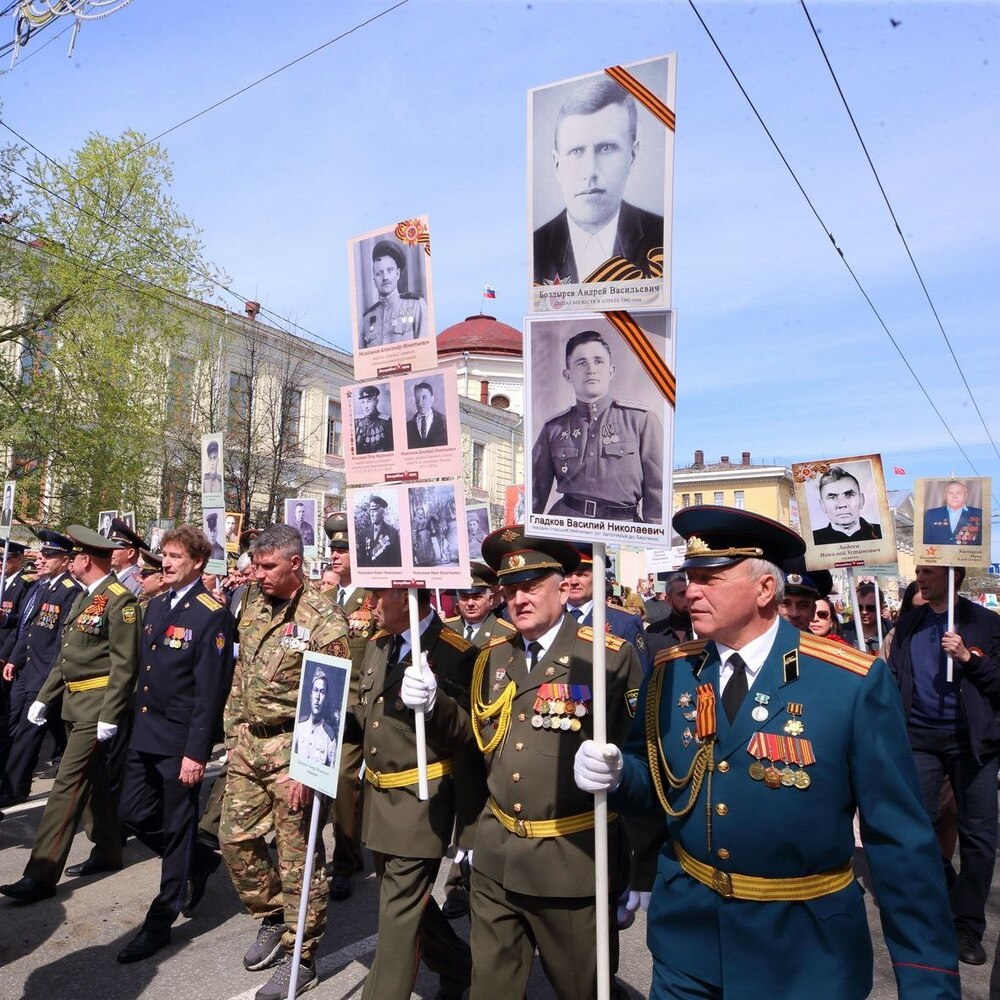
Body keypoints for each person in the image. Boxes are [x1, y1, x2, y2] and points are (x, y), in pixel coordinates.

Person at [574, 505, 960, 998]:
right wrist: (618, 776)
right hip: (689, 941)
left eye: (709, 578)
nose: (690, 591)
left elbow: (899, 840)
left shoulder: (849, 680)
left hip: (802, 950)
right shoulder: (672, 671)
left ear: (763, 589)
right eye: (689, 577)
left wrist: (927, 981)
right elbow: (657, 781)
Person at [426, 526, 642, 998]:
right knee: (491, 989)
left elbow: (638, 760)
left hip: (570, 861)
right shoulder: (493, 657)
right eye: (510, 590)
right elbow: (474, 743)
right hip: (497, 854)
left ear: (562, 588)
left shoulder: (605, 658)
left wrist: (638, 865)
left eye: (531, 587)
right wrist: (432, 706)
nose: (519, 600)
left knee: (582, 989)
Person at [219, 524, 349, 999]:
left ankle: (302, 955)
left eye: (268, 566)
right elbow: (242, 673)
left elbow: (330, 703)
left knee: (299, 858)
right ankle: (274, 915)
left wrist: (309, 769)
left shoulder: (324, 619)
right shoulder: (254, 601)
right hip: (249, 745)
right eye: (256, 565)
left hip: (295, 750)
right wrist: (233, 734)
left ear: (295, 563)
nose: (259, 574)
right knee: (233, 839)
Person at [0, 526, 141, 904]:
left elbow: (125, 665)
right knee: (94, 782)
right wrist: (44, 698)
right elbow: (67, 657)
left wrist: (110, 713)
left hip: (96, 707)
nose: (70, 561)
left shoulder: (121, 601)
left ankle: (40, 873)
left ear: (85, 560)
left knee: (66, 786)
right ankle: (109, 849)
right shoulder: (85, 597)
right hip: (73, 702)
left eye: (75, 555)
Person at [115, 525, 235, 962]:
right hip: (146, 732)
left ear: (197, 562)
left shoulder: (211, 614)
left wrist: (196, 753)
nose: (165, 563)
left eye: (175, 556)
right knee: (131, 812)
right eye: (164, 555)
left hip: (181, 741)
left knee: (179, 824)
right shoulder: (158, 604)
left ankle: (160, 919)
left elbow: (210, 691)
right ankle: (198, 860)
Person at [353, 586, 477, 1000]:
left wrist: (469, 830)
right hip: (379, 798)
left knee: (397, 915)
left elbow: (469, 740)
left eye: (378, 595)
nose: (370, 604)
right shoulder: (380, 645)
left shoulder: (456, 653)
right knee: (406, 901)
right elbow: (364, 716)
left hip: (421, 803)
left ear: (408, 597)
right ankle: (459, 967)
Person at [886, 563, 1000, 966]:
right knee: (915, 828)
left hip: (974, 744)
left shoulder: (985, 623)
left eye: (929, 571)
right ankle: (936, 902)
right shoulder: (909, 624)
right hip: (919, 740)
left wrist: (968, 658)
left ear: (955, 576)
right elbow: (895, 677)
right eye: (919, 570)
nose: (920, 577)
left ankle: (967, 925)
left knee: (978, 836)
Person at [534, 75, 664, 286]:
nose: (590, 171)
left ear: (632, 155)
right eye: (576, 151)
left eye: (606, 148)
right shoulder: (535, 249)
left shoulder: (662, 237)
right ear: (557, 165)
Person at [532, 328, 662, 523]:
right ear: (568, 375)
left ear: (611, 371)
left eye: (598, 361)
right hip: (566, 528)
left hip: (623, 531)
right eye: (581, 363)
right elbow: (534, 495)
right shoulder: (554, 429)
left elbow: (658, 495)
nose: (591, 369)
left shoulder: (641, 420)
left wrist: (653, 536)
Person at [0, 531, 81, 806]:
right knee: (10, 724)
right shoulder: (41, 586)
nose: (41, 560)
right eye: (42, 555)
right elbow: (29, 628)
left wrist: (52, 677)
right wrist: (14, 659)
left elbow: (62, 639)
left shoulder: (70, 590)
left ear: (65, 560)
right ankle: (6, 779)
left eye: (49, 556)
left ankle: (15, 787)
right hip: (25, 667)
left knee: (28, 731)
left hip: (44, 671)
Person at [321, 513, 376, 902]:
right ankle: (311, 859)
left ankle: (344, 861)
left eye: (343, 549)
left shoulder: (374, 599)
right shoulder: (321, 600)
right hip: (320, 705)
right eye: (333, 548)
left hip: (355, 710)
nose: (335, 555)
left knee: (344, 782)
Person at [566, 543, 652, 674]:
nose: (573, 581)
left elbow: (638, 676)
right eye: (568, 574)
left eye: (581, 574)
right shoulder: (545, 617)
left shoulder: (624, 622)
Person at [360, 240, 427, 347]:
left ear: (398, 274)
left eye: (390, 270)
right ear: (374, 281)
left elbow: (425, 348)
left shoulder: (416, 305)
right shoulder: (367, 318)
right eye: (379, 273)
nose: (385, 277)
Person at [811, 466, 882, 544]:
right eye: (832, 497)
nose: (842, 504)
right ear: (822, 505)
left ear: (861, 500)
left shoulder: (882, 532)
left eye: (849, 495)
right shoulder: (812, 539)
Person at [293, 668, 338, 767]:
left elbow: (332, 771)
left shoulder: (329, 738)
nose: (317, 697)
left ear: (326, 699)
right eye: (315, 690)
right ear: (310, 695)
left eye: (322, 692)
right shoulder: (299, 726)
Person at [923, 479, 984, 545]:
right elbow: (925, 542)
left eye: (959, 493)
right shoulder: (931, 514)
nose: (954, 496)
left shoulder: (980, 514)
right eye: (950, 493)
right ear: (945, 496)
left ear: (965, 496)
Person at [843, 582, 892, 653]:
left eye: (870, 608)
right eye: (859, 607)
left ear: (881, 609)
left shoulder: (893, 635)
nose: (864, 612)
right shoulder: (842, 632)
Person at [108, 516, 150, 597]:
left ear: (130, 553)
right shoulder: (116, 577)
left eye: (115, 548)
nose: (110, 551)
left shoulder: (136, 581)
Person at [358, 496, 401, 568]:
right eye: (370, 511)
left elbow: (397, 560)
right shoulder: (365, 533)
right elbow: (362, 559)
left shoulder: (392, 532)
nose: (371, 515)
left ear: (382, 513)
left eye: (374, 511)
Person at [405, 380, 448, 449]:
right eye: (417, 399)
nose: (420, 403)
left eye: (424, 398)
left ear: (432, 399)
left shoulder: (445, 422)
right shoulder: (408, 426)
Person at [354, 384, 394, 454]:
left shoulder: (386, 422)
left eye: (369, 401)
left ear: (376, 401)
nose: (366, 406)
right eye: (363, 402)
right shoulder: (357, 421)